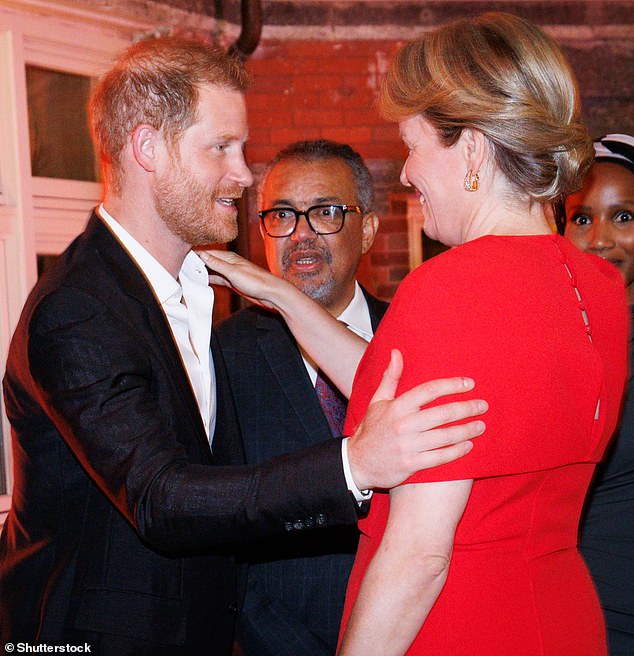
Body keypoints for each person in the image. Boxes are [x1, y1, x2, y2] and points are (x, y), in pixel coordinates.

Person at [0, 36, 488, 655]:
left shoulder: (199, 291)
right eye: (221, 148)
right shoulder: (79, 308)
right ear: (148, 148)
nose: (243, 174)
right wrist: (354, 464)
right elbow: (162, 497)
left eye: (242, 148)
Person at [202, 12, 629, 656]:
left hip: (460, 626)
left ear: (475, 149)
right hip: (564, 618)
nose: (404, 174)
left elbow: (420, 554)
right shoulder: (599, 287)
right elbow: (405, 396)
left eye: (414, 145)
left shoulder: (449, 288)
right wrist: (283, 298)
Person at [215, 139, 388, 656]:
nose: (302, 235)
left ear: (370, 229)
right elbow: (217, 524)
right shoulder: (221, 355)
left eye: (326, 213)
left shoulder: (413, 335)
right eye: (283, 215)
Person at [564, 133, 634, 656]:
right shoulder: (544, 340)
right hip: (571, 606)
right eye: (582, 219)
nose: (600, 239)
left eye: (623, 217)